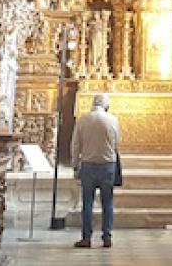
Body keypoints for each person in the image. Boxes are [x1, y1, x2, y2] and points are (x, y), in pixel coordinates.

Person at [71, 93, 121, 248]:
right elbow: (117, 142)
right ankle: (107, 236)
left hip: (88, 164)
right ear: (106, 105)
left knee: (87, 202)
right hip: (107, 164)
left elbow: (75, 144)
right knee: (107, 201)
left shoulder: (83, 120)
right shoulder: (112, 120)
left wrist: (75, 164)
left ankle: (86, 237)